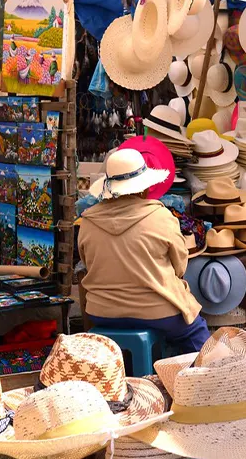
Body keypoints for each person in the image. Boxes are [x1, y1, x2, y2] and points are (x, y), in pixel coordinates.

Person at [78, 148, 209, 352]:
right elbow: (180, 266)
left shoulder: (87, 221)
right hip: (158, 313)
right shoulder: (160, 216)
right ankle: (200, 380)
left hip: (102, 311)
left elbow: (88, 263)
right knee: (196, 333)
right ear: (144, 187)